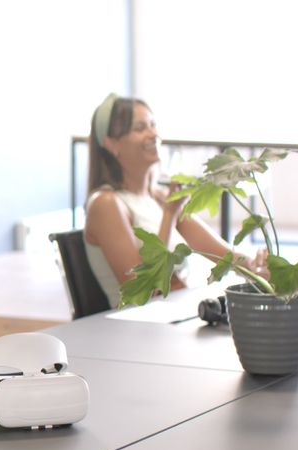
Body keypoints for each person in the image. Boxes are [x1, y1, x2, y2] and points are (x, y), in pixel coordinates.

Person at [83, 93, 267, 307]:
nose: (153, 134)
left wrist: (257, 266)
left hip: (175, 313)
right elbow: (143, 289)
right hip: (137, 325)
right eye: (140, 128)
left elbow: (225, 256)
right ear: (111, 144)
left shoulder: (160, 198)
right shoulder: (106, 204)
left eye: (153, 125)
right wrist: (169, 215)